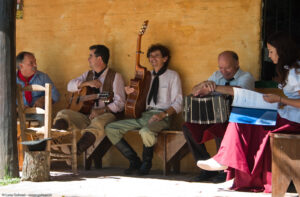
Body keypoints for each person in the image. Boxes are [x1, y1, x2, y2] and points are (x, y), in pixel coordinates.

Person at [197, 32, 300, 192]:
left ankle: (226, 160)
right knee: (241, 117)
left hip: (294, 120)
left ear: (282, 51)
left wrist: (279, 100)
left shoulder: (296, 72)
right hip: (287, 114)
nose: (269, 55)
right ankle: (228, 163)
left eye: (272, 51)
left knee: (244, 119)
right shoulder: (288, 69)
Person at [105, 44, 183, 175]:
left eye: (156, 55)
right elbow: (136, 96)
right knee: (111, 128)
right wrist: (128, 90)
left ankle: (146, 163)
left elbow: (179, 102)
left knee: (146, 131)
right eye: (150, 56)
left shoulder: (173, 76)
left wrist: (162, 115)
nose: (152, 59)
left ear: (165, 58)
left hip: (162, 116)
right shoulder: (145, 76)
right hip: (143, 115)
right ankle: (134, 161)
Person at [182, 51, 255, 183]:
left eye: (228, 68)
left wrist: (214, 87)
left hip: (239, 119)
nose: (224, 71)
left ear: (237, 64)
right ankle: (205, 167)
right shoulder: (216, 75)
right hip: (216, 116)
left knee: (221, 126)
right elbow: (195, 90)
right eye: (220, 68)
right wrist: (202, 85)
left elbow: (239, 91)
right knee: (188, 126)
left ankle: (225, 170)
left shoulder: (246, 76)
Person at [53, 45, 126, 155]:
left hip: (106, 115)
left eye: (91, 56)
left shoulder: (116, 77)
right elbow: (70, 86)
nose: (88, 59)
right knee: (63, 114)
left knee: (97, 123)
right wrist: (86, 83)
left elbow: (120, 103)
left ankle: (74, 153)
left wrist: (101, 110)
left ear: (99, 59)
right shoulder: (88, 74)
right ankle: (55, 142)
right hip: (86, 115)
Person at [16, 51, 60, 125]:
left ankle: (44, 136)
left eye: (35, 62)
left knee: (43, 119)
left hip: (37, 113)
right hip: (17, 113)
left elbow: (56, 95)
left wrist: (44, 99)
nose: (35, 65)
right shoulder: (11, 78)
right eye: (31, 63)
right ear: (21, 66)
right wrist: (16, 107)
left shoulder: (43, 77)